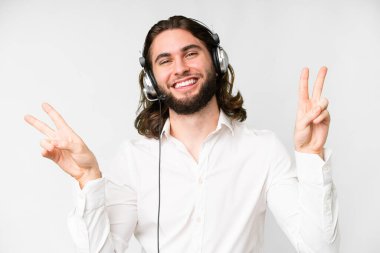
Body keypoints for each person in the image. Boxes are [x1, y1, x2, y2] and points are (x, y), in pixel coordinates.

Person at [25, 16, 339, 253]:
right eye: (165, 61)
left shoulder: (263, 149)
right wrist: (89, 180)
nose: (180, 68)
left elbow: (321, 248)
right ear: (151, 81)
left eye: (191, 53)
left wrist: (311, 157)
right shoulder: (132, 160)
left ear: (217, 61)